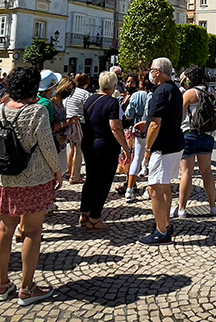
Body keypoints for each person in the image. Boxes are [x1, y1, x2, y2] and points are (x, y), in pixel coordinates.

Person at [0, 67, 62, 306]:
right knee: (32, 232)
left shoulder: (2, 107)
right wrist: (57, 170)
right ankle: (26, 288)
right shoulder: (37, 111)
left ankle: (2, 285)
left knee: (4, 229)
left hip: (6, 177)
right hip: (34, 178)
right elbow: (47, 146)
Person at [139, 57, 185, 245]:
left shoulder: (159, 91)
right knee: (165, 185)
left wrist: (148, 149)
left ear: (157, 72)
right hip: (175, 142)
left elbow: (155, 125)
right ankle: (165, 222)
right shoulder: (175, 89)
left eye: (151, 69)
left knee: (154, 187)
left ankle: (161, 231)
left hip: (162, 146)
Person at [79, 71, 132, 231]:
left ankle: (85, 212)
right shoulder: (112, 102)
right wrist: (126, 148)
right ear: (114, 86)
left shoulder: (89, 100)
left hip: (88, 144)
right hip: (105, 146)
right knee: (103, 182)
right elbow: (115, 127)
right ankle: (95, 218)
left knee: (90, 180)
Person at [175, 66, 216, 218]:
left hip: (190, 134)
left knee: (187, 171)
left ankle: (181, 208)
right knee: (206, 171)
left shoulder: (190, 93)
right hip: (207, 135)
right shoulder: (211, 92)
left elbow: (179, 116)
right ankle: (213, 206)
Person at [123, 73, 153, 202]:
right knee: (152, 159)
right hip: (152, 129)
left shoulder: (136, 96)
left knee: (136, 159)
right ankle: (149, 188)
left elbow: (128, 114)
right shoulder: (153, 95)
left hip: (138, 129)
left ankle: (129, 189)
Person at [64, 73, 91, 184]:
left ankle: (69, 171)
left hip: (69, 122)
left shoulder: (71, 92)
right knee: (78, 150)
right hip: (79, 123)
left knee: (72, 148)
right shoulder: (85, 94)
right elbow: (88, 109)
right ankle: (75, 177)